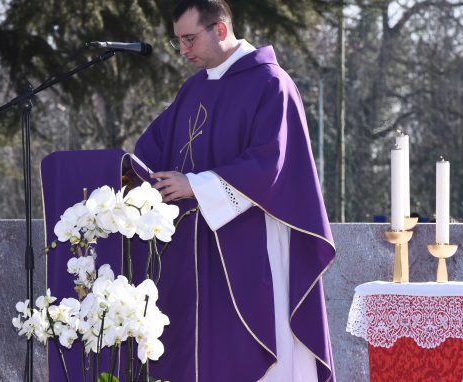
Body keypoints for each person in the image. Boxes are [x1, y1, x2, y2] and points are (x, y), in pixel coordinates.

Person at [133, 1, 336, 381]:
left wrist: (193, 184)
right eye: (178, 41)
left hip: (251, 246)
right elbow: (149, 153)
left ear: (221, 30)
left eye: (190, 39)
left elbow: (269, 162)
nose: (184, 51)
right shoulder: (192, 90)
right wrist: (123, 176)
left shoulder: (271, 84)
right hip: (196, 255)